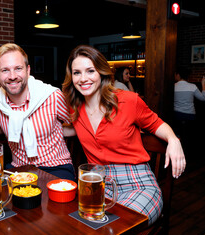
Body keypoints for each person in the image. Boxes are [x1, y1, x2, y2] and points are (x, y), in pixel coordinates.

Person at [62, 45, 186, 225]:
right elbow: (72, 129)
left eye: (90, 71)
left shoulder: (128, 100)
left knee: (116, 227)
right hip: (97, 182)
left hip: (138, 183)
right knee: (77, 226)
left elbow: (157, 124)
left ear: (102, 72)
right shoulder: (74, 108)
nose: (83, 79)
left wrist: (173, 140)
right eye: (77, 73)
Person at [0, 43, 75, 181]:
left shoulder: (52, 96)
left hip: (56, 167)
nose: (12, 76)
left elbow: (76, 124)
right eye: (5, 70)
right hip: (18, 169)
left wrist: (56, 129)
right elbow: (0, 127)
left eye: (18, 68)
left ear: (28, 71)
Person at [173, 67, 205, 154]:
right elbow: (203, 98)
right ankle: (188, 154)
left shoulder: (173, 87)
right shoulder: (192, 86)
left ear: (178, 75)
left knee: (177, 135)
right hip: (190, 116)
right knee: (188, 137)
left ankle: (177, 152)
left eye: (175, 74)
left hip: (176, 116)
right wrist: (203, 84)